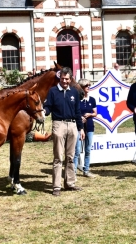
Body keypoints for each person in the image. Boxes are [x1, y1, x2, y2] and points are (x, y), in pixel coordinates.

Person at [43, 67, 85, 196]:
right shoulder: (53, 91)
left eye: (67, 79)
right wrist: (44, 112)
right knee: (58, 157)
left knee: (71, 157)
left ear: (70, 79)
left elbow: (78, 112)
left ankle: (70, 183)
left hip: (72, 125)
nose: (64, 81)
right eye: (62, 79)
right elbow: (48, 107)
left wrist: (81, 128)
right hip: (58, 124)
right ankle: (56, 186)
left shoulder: (74, 92)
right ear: (59, 78)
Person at [73, 78, 97, 178]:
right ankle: (73, 172)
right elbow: (74, 112)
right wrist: (80, 117)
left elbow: (95, 113)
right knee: (77, 150)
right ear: (81, 87)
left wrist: (90, 114)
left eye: (89, 85)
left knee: (88, 149)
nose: (88, 87)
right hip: (79, 127)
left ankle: (86, 170)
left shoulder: (92, 99)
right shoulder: (77, 100)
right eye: (86, 86)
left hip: (90, 126)